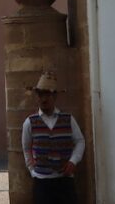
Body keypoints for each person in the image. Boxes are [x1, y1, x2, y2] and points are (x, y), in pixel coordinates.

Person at [21, 71, 85, 204]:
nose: (43, 99)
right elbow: (26, 148)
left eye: (47, 94)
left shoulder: (68, 119)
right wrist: (32, 170)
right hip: (42, 184)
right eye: (40, 94)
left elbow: (80, 141)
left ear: (54, 96)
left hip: (64, 182)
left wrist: (73, 161)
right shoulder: (30, 122)